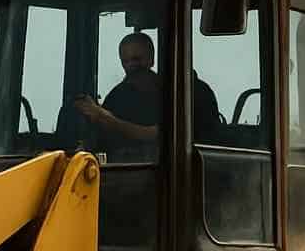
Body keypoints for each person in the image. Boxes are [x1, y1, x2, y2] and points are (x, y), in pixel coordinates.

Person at [71, 31, 223, 160]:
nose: (132, 65)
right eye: (126, 61)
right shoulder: (119, 96)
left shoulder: (190, 93)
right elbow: (99, 140)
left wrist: (105, 118)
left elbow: (161, 136)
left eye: (137, 59)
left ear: (152, 59)